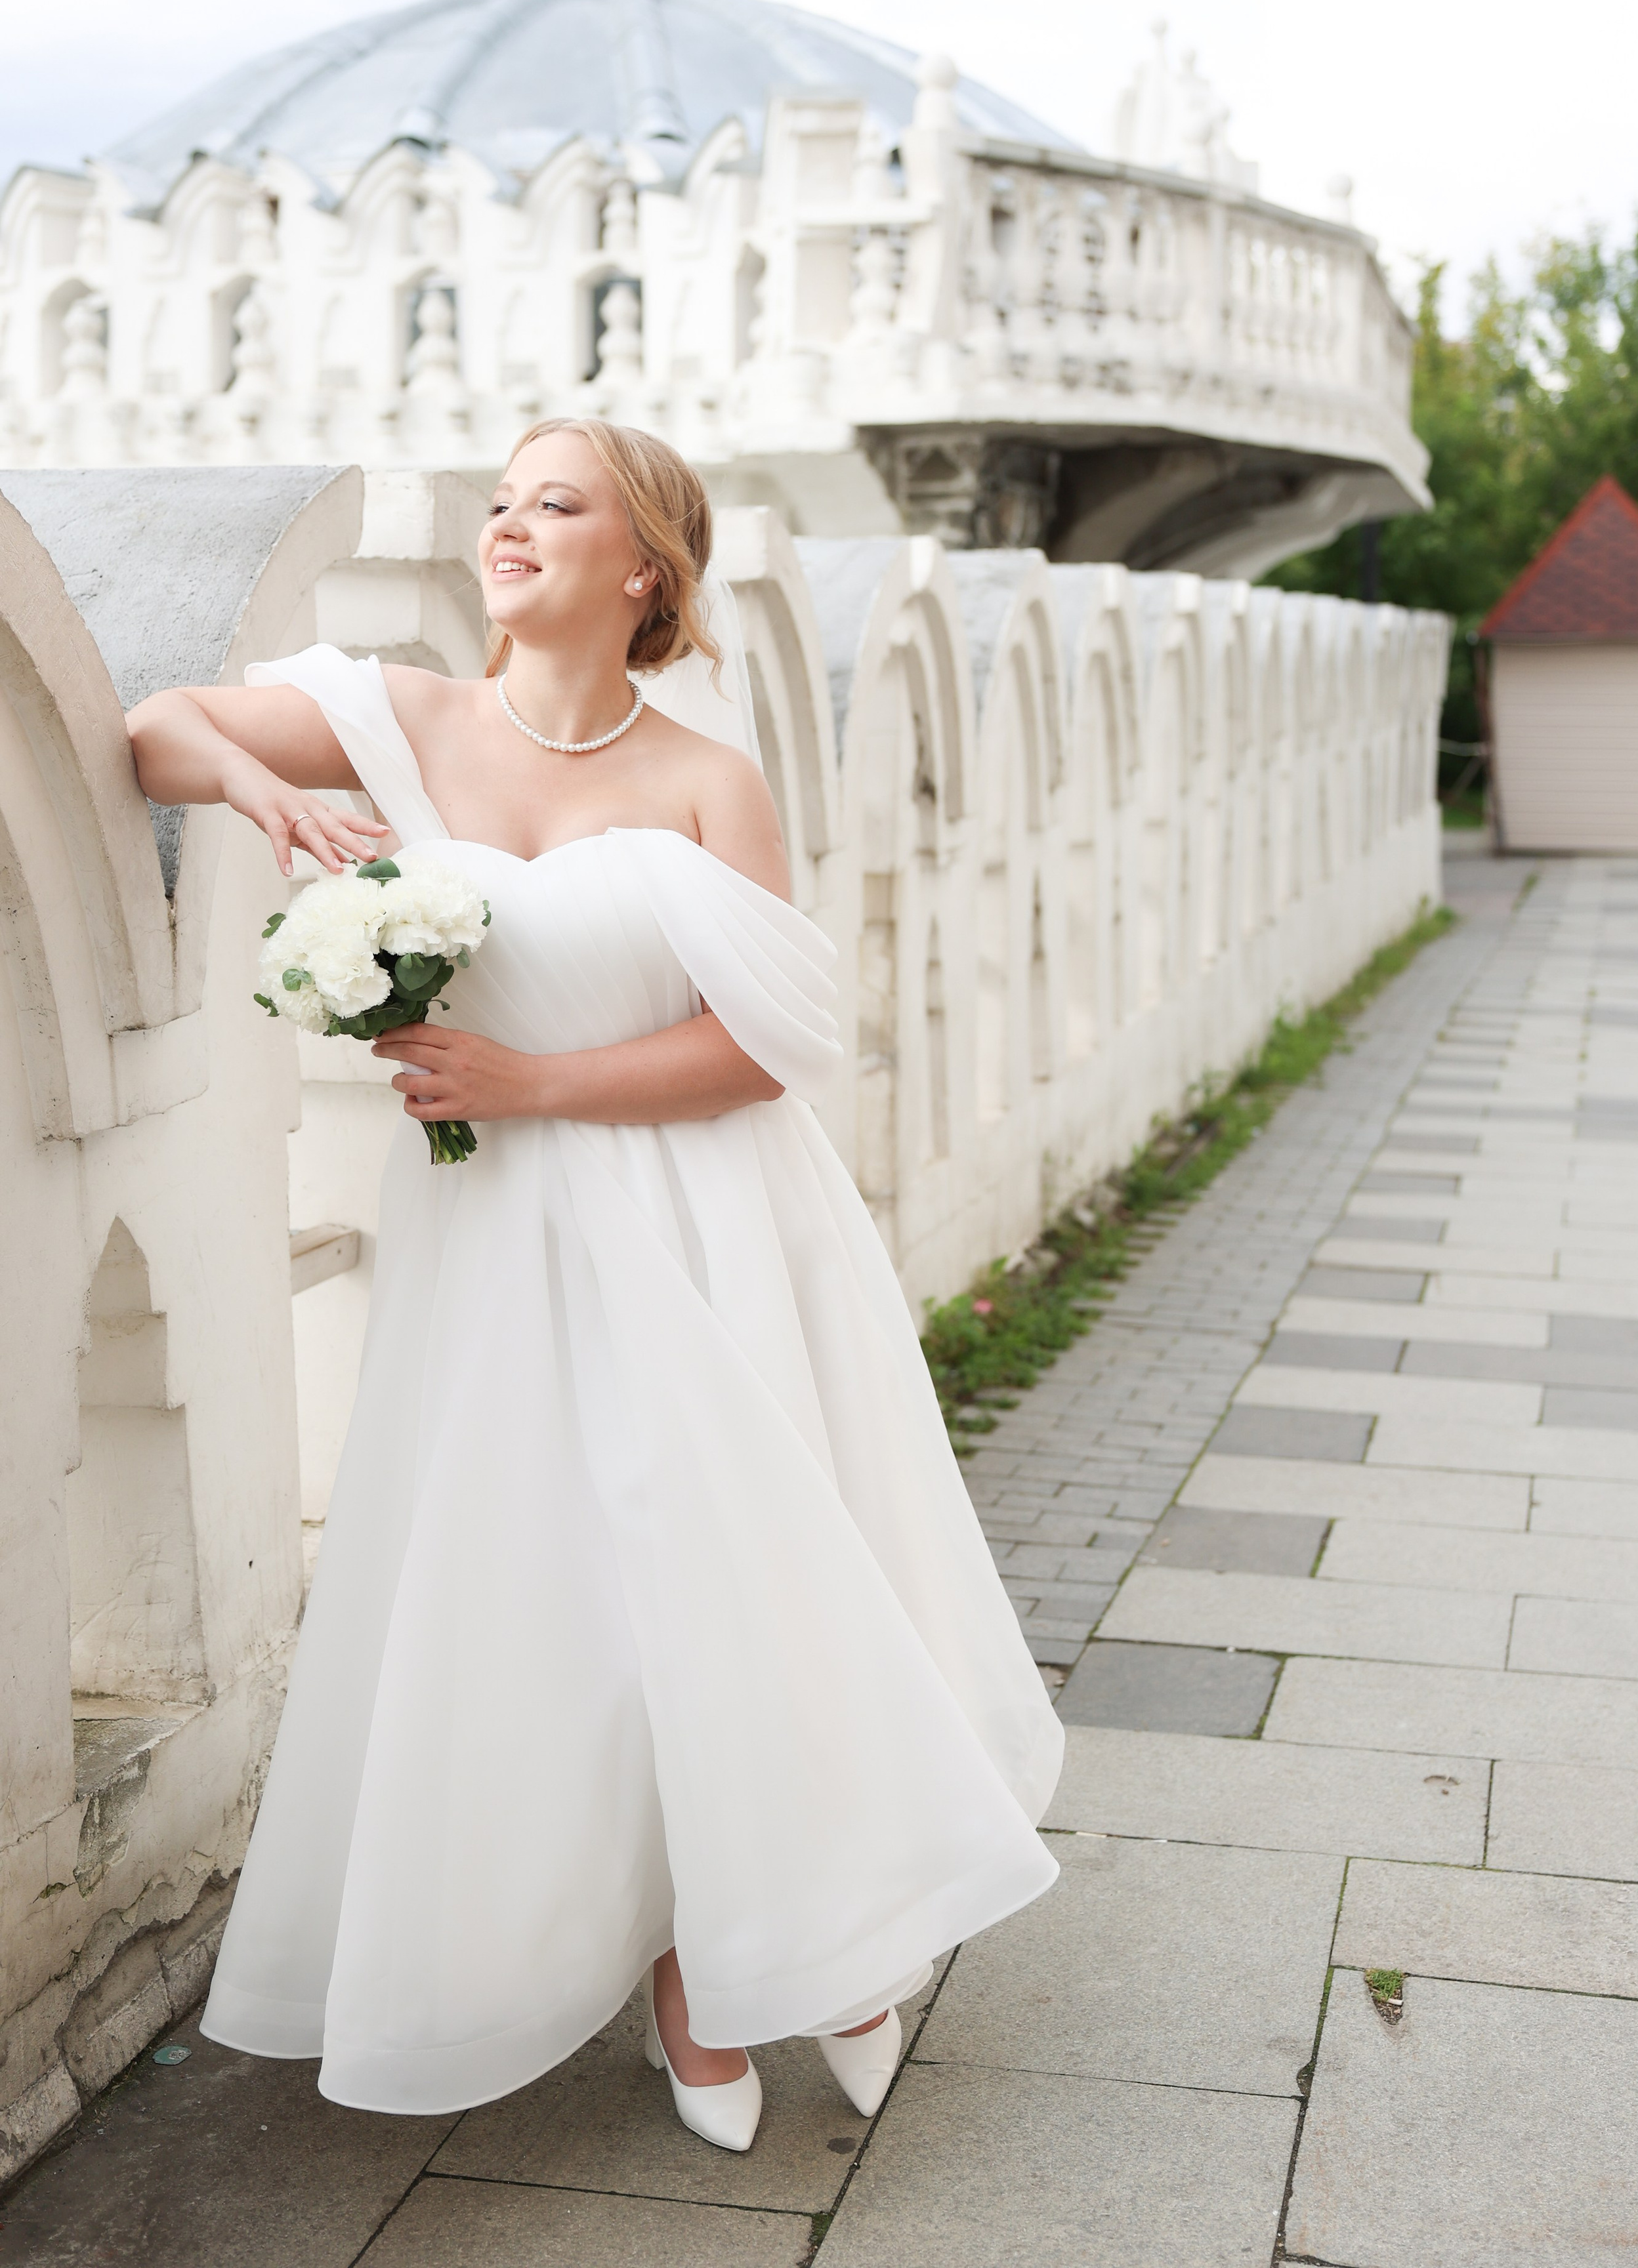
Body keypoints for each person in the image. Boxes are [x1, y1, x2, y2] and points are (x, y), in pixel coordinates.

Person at [125, 417, 1062, 2151]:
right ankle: (653, 1932)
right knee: (551, 1607)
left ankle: (738, 1953)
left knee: (724, 1589)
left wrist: (532, 1087)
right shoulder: (399, 715)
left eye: (558, 505)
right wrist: (262, 794)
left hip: (709, 1229)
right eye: (498, 503)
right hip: (493, 1260)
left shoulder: (713, 777)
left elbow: (762, 1052)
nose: (510, 527)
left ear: (646, 569)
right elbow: (154, 725)